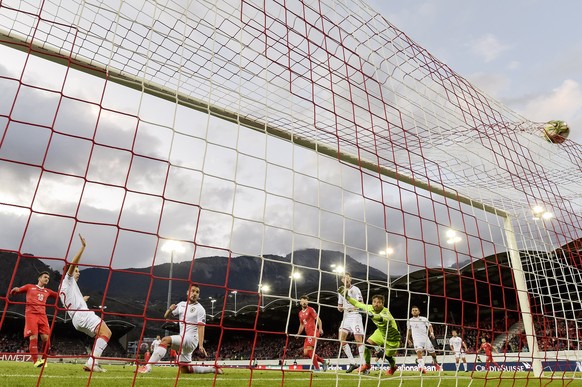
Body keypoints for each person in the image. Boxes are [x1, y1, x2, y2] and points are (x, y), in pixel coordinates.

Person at [138, 283, 222, 375]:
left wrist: (201, 346)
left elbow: (201, 327)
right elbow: (166, 317)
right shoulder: (181, 305)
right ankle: (213, 369)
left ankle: (148, 366)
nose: (194, 294)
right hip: (183, 338)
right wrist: (169, 309)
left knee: (165, 340)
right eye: (192, 291)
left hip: (191, 340)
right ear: (187, 292)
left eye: (197, 292)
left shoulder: (200, 309)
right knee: (185, 370)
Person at [59, 234, 112, 372]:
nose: (78, 273)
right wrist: (83, 247)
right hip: (82, 315)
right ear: (68, 272)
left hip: (76, 319)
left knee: (102, 335)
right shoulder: (67, 281)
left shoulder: (63, 289)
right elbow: (72, 265)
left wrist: (82, 301)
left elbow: (71, 303)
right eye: (76, 271)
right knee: (106, 332)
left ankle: (92, 362)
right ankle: (92, 363)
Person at [339, 290, 401, 376]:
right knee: (367, 345)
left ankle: (393, 367)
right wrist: (347, 297)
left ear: (383, 304)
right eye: (374, 302)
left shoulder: (385, 311)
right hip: (380, 332)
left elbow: (382, 318)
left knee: (387, 357)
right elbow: (357, 303)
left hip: (392, 336)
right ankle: (367, 365)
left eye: (379, 302)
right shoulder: (370, 308)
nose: (376, 304)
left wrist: (371, 315)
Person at [10, 271, 59, 367]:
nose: (47, 279)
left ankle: (44, 360)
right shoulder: (29, 287)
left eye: (48, 278)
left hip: (42, 316)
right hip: (31, 315)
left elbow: (59, 295)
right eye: (45, 277)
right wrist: (15, 290)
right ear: (39, 278)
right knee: (33, 337)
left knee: (46, 338)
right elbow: (19, 290)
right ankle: (36, 361)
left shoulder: (48, 291)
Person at [337, 273, 365, 373]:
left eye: (348, 277)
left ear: (351, 279)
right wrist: (339, 308)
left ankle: (364, 365)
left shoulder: (355, 289)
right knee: (341, 339)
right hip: (346, 316)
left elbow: (361, 303)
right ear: (342, 280)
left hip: (355, 315)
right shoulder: (340, 291)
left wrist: (354, 307)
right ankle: (353, 363)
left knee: (358, 340)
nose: (346, 279)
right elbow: (340, 305)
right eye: (344, 278)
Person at [296, 295, 327, 371]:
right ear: (300, 302)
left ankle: (317, 368)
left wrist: (320, 328)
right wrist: (298, 334)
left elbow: (318, 319)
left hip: (313, 332)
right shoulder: (300, 313)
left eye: (306, 301)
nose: (304, 302)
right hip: (308, 334)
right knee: (306, 353)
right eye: (303, 300)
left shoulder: (310, 309)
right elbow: (302, 324)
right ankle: (323, 361)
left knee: (310, 349)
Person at [406, 305, 441, 373]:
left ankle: (435, 363)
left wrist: (432, 333)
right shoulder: (409, 321)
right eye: (413, 310)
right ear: (411, 312)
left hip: (425, 339)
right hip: (416, 340)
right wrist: (408, 339)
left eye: (416, 310)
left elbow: (430, 326)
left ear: (419, 311)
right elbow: (408, 331)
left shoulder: (424, 319)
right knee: (419, 351)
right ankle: (421, 367)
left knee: (433, 354)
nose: (414, 312)